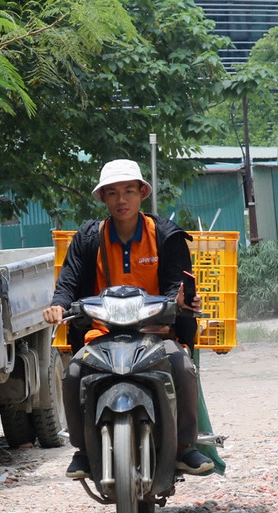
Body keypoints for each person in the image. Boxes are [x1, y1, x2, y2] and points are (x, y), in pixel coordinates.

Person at [43, 159, 214, 479]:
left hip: (156, 333)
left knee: (183, 367)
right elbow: (68, 281)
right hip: (101, 332)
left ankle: (184, 448)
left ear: (142, 194)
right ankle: (82, 450)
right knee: (74, 371)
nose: (121, 200)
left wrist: (176, 302)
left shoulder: (166, 235)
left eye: (129, 191)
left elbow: (177, 282)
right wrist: (58, 304)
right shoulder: (88, 237)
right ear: (104, 199)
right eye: (113, 193)